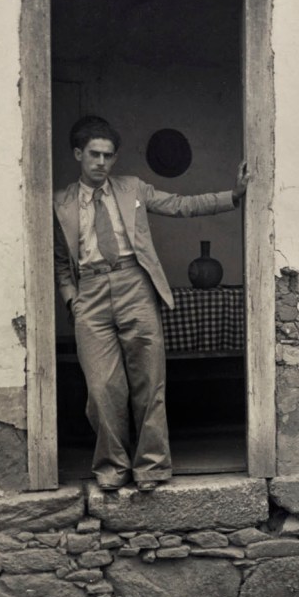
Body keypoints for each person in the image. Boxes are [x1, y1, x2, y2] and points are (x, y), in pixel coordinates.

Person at [53, 115, 249, 492]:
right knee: (101, 389)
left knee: (149, 383)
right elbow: (62, 261)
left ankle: (152, 467)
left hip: (135, 285)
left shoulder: (132, 189)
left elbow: (180, 205)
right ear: (78, 154)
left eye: (108, 156)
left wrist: (233, 195)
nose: (101, 163)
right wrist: (72, 301)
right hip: (90, 294)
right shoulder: (60, 202)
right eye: (94, 154)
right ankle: (112, 465)